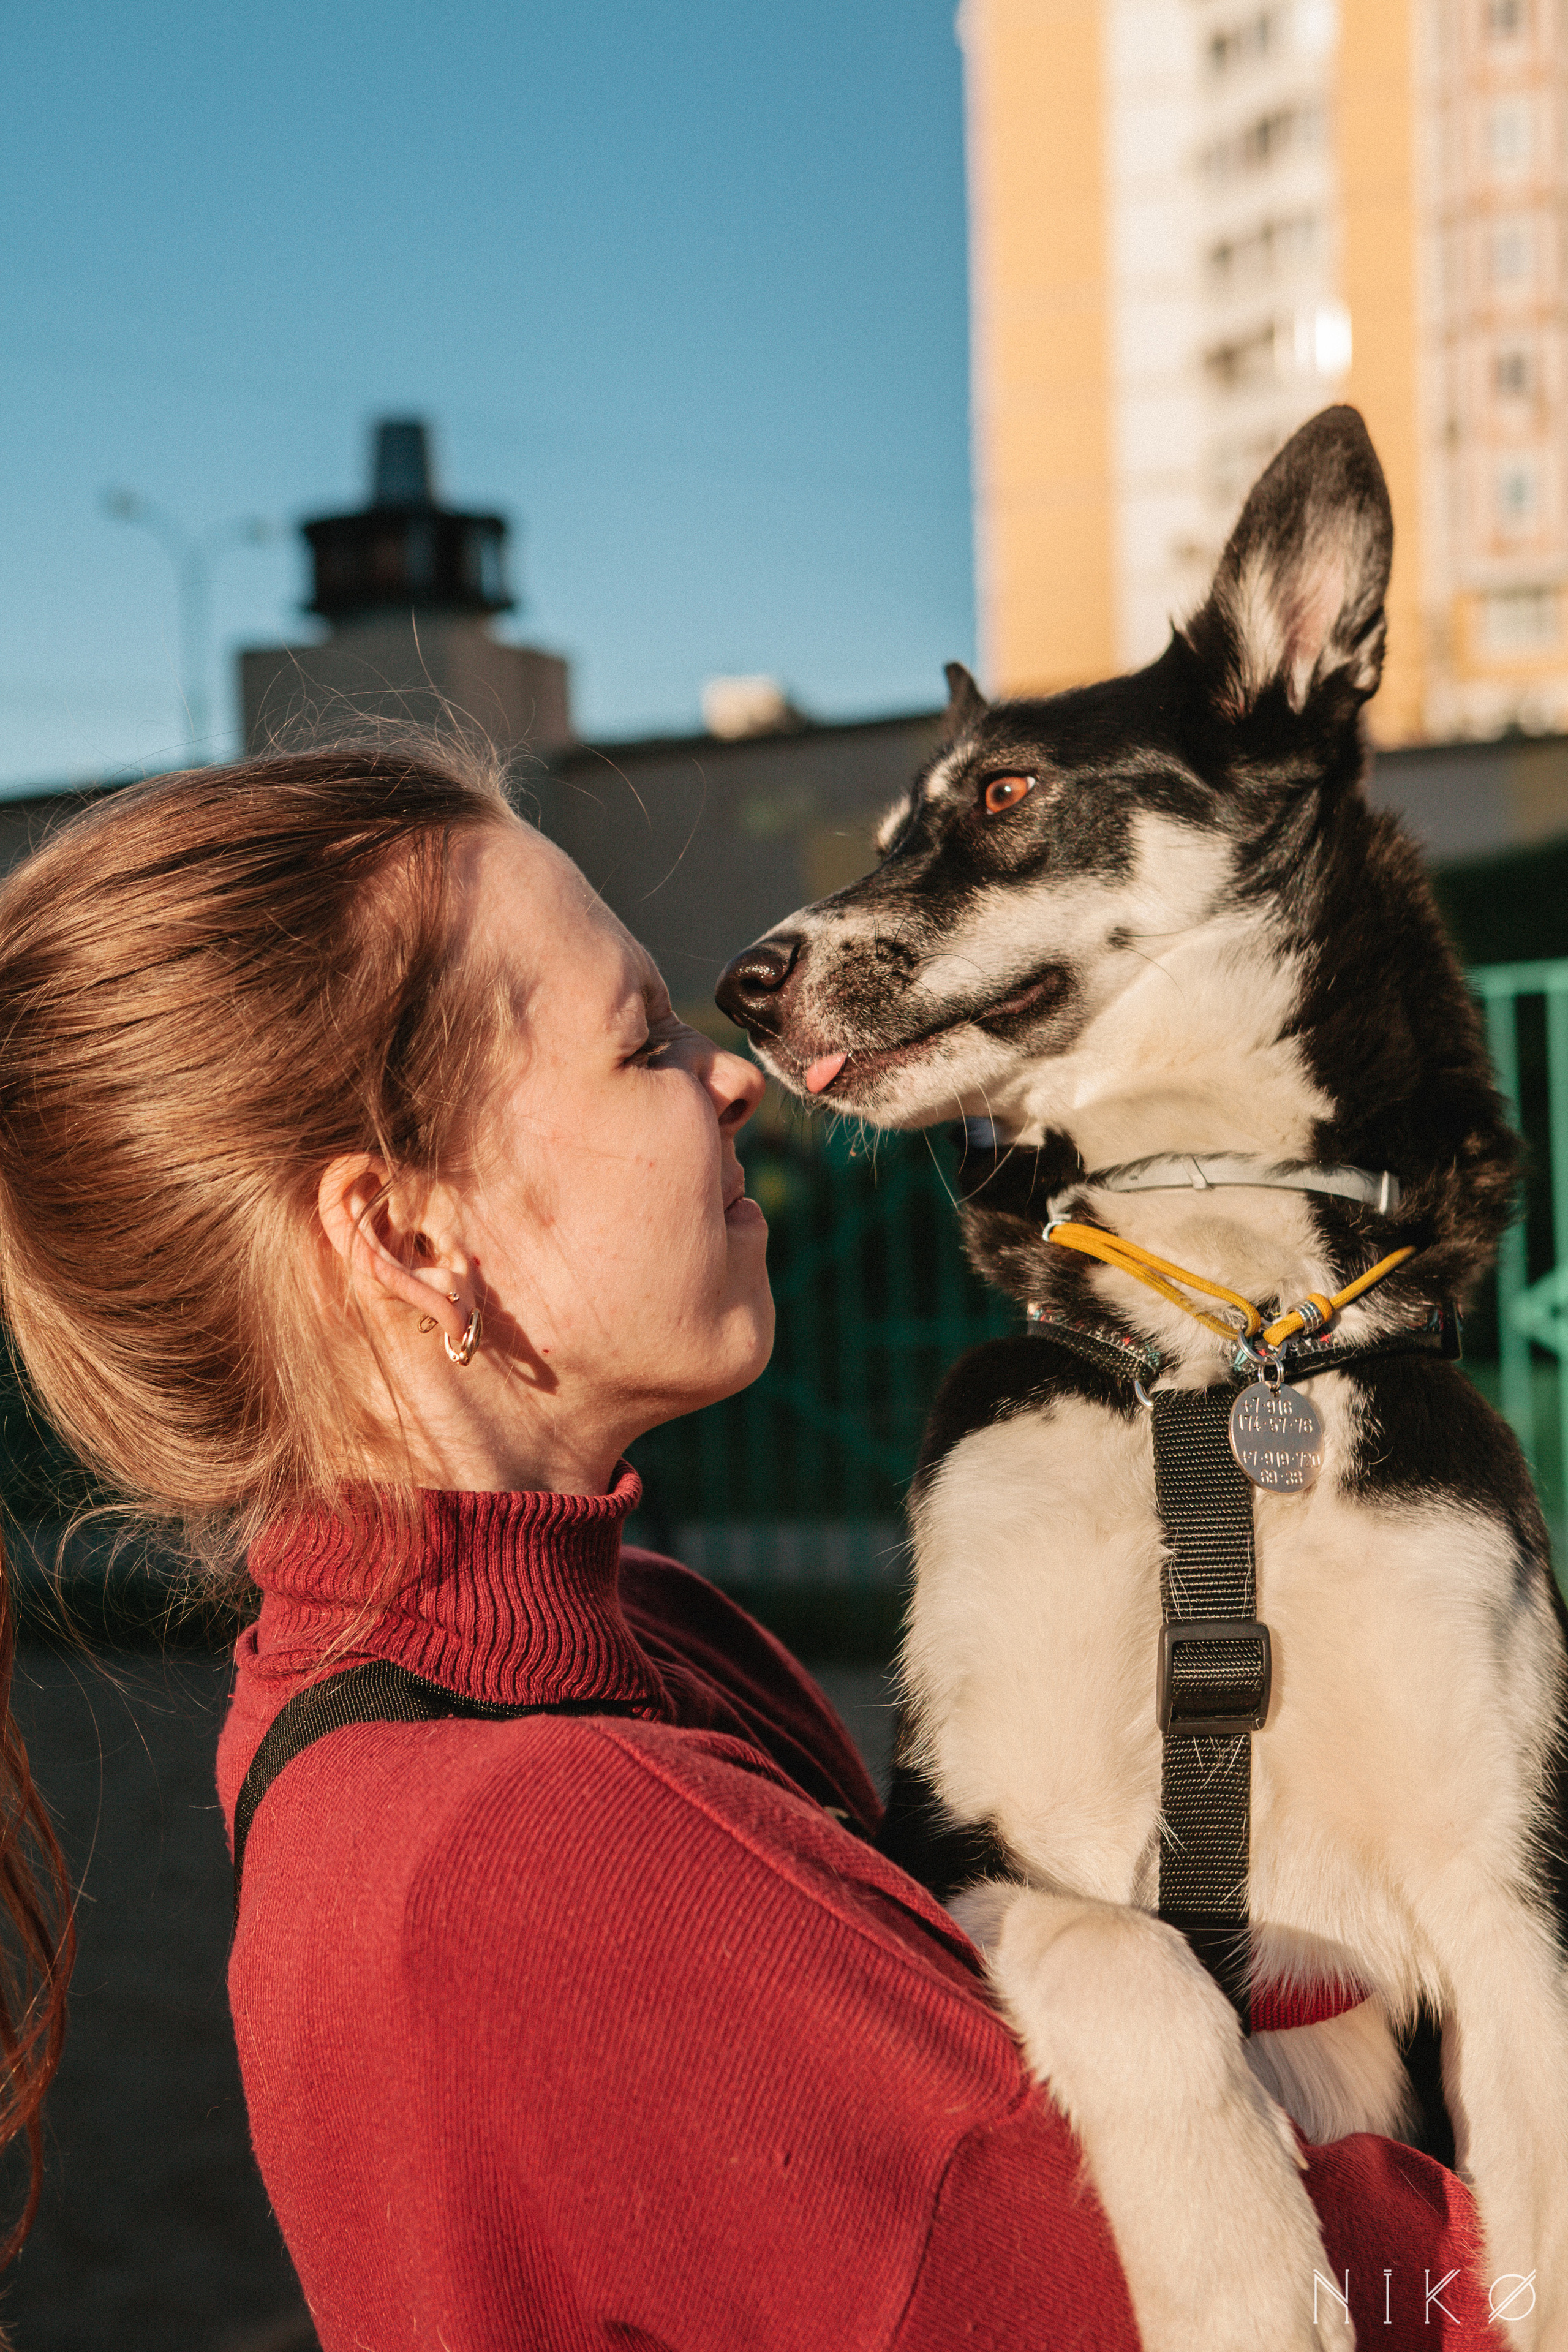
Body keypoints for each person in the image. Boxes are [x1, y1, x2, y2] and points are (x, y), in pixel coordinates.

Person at [0, 741, 1493, 2347]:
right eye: (643, 1044)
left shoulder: (588, 1641)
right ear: (411, 1238)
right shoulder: (546, 1852)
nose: (728, 1076)